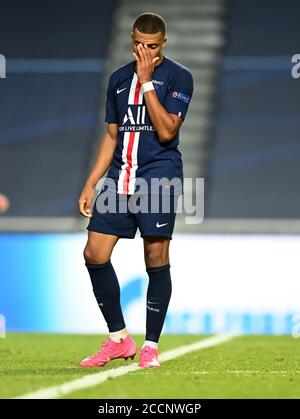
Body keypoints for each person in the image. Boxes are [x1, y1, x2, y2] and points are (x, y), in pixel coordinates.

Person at [78, 12, 193, 368]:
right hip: (118, 179)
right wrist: (91, 181)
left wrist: (146, 83)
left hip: (157, 177)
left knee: (156, 258)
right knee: (94, 254)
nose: (145, 52)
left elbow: (167, 132)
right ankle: (119, 340)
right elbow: (112, 136)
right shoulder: (116, 80)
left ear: (164, 43)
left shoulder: (179, 77)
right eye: (139, 45)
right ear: (131, 40)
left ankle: (151, 347)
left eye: (153, 46)